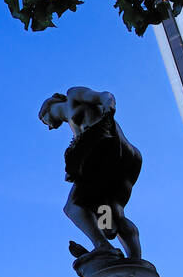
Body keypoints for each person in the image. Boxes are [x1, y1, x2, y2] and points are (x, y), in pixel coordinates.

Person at [39, 87, 143, 260]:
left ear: (47, 110)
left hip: (105, 152)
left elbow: (103, 95)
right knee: (112, 215)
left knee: (72, 207)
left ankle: (103, 246)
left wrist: (109, 102)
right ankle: (135, 260)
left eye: (45, 121)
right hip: (126, 158)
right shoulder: (74, 127)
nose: (49, 127)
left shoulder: (72, 96)